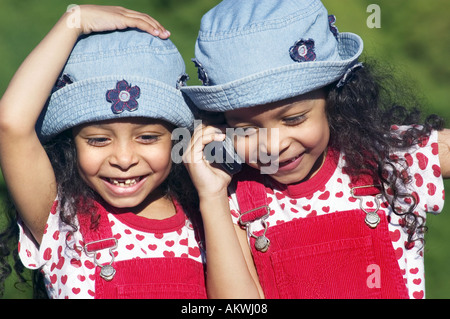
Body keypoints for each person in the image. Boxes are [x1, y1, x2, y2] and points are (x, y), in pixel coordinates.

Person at [181, 0, 450, 299]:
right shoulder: (232, 199)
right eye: (246, 129)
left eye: (294, 119)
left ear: (335, 101)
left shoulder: (390, 158)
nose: (273, 146)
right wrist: (212, 197)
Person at [0, 5, 205, 299]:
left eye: (147, 137)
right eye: (98, 140)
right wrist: (75, 21)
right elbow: (12, 123)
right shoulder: (62, 221)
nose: (123, 159)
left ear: (177, 139)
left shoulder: (206, 214)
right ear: (72, 144)